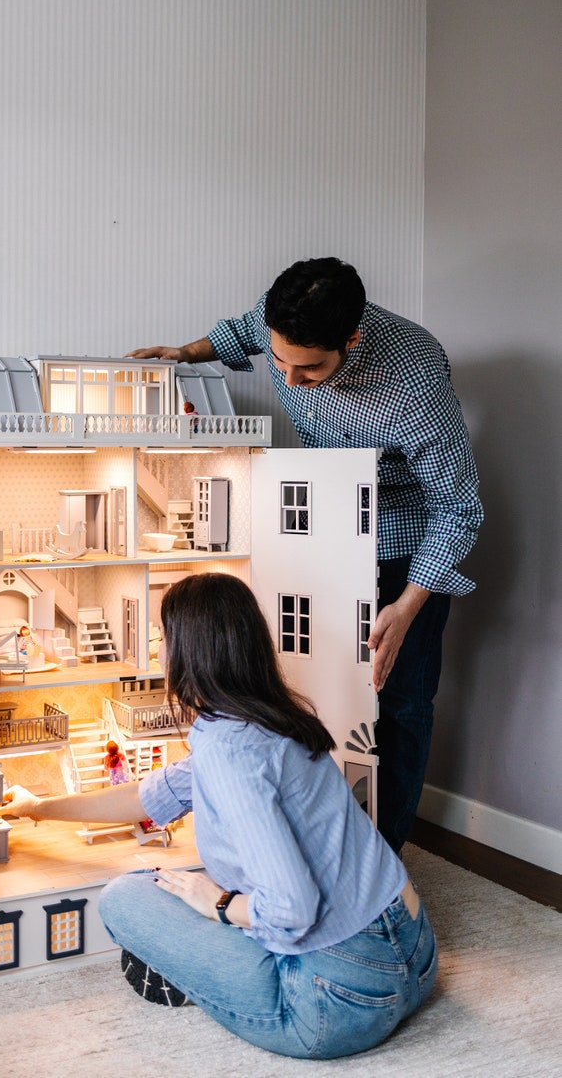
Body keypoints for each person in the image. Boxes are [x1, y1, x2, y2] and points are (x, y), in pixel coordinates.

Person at [2, 574, 437, 1060]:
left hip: (338, 1001)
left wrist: (221, 904)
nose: (158, 652)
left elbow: (292, 907)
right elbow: (149, 798)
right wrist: (38, 808)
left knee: (127, 898)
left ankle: (207, 970)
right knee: (181, 884)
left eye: (162, 639)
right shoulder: (269, 717)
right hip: (417, 956)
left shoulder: (227, 750)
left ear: (191, 652)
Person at [128, 258, 483, 854]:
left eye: (310, 370)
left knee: (397, 702)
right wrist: (183, 354)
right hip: (323, 525)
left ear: (353, 339)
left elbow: (458, 507)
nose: (290, 383)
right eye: (280, 362)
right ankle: (318, 840)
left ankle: (384, 863)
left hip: (405, 543)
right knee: (310, 685)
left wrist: (406, 606)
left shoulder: (415, 381)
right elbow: (241, 331)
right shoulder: (282, 324)